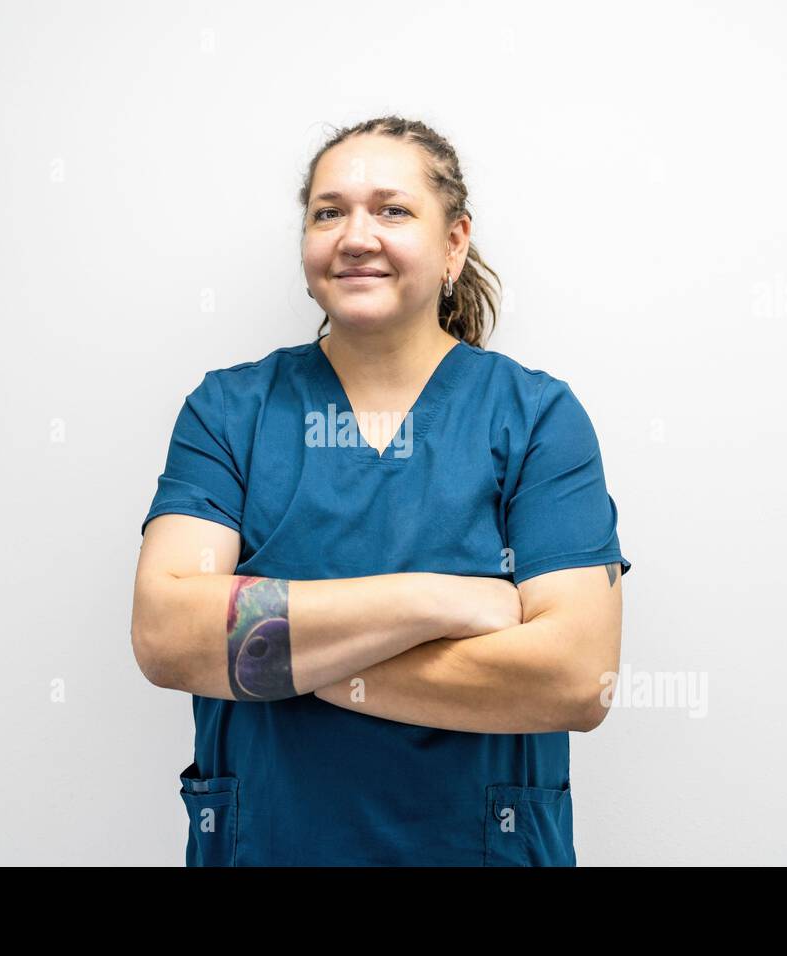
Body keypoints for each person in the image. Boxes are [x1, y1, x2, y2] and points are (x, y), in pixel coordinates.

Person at [131, 115, 630, 866]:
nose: (355, 236)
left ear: (454, 243)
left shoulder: (534, 418)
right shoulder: (231, 412)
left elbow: (576, 677)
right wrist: (435, 602)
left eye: (392, 210)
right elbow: (168, 635)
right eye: (328, 212)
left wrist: (280, 656)